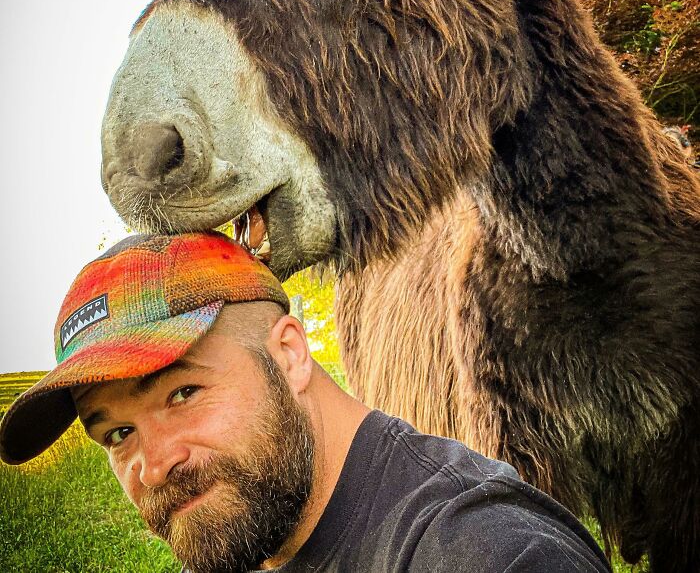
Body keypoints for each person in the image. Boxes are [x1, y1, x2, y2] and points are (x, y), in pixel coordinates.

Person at [0, 232, 612, 573]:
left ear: (290, 354)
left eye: (183, 393)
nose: (154, 466)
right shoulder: (242, 532)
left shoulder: (486, 552)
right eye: (118, 434)